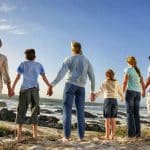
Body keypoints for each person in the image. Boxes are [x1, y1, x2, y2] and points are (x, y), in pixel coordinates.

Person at [47, 41, 95, 142]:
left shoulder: (69, 58)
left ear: (72, 49)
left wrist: (52, 85)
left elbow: (61, 73)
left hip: (70, 85)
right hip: (81, 88)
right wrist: (92, 91)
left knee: (67, 110)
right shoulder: (87, 60)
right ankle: (81, 137)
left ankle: (66, 136)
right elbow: (92, 77)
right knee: (80, 112)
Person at [11, 49, 51, 141]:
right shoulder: (39, 65)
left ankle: (19, 136)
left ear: (25, 56)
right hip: (35, 90)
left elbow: (17, 77)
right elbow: (44, 77)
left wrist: (12, 88)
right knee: (35, 111)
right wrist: (49, 86)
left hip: (24, 89)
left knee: (21, 111)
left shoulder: (23, 64)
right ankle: (35, 135)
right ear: (35, 56)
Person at [95, 69, 124, 140]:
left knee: (107, 119)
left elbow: (100, 91)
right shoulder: (116, 82)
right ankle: (112, 135)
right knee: (113, 119)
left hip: (107, 100)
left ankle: (107, 136)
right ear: (113, 75)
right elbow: (120, 90)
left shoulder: (105, 82)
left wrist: (95, 96)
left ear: (106, 75)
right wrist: (122, 97)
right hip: (114, 100)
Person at [123, 56, 145, 138]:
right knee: (136, 114)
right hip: (138, 93)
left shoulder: (128, 69)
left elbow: (125, 81)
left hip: (130, 93)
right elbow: (142, 83)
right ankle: (138, 134)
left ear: (128, 62)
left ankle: (130, 134)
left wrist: (122, 91)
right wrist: (143, 91)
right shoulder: (138, 71)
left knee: (129, 113)